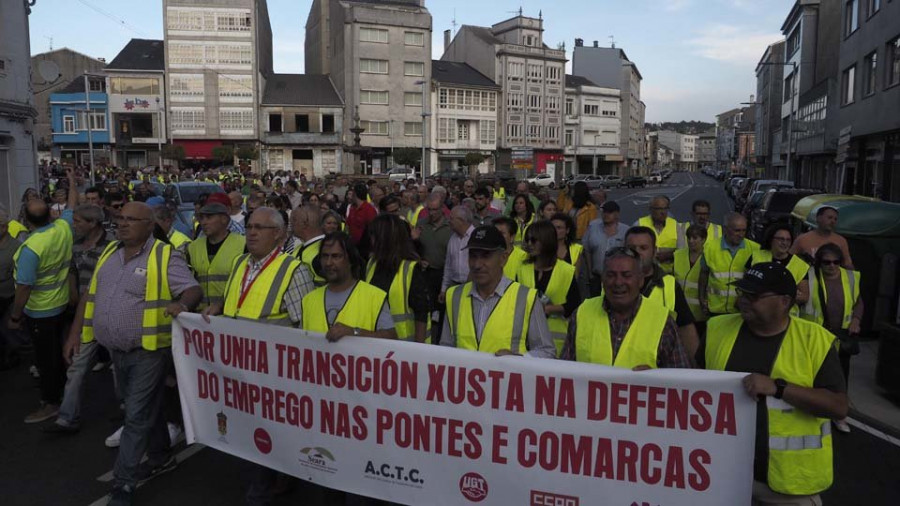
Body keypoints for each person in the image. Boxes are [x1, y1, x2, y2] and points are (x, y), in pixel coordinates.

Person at [66, 201, 203, 506]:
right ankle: (161, 454)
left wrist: (183, 304)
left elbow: (193, 289)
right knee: (140, 406)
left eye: (131, 220)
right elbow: (90, 295)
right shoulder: (109, 254)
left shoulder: (164, 255)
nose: (122, 224)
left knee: (136, 413)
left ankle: (123, 483)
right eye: (119, 219)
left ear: (149, 224)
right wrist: (76, 333)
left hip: (149, 351)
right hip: (115, 350)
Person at [700, 262, 848, 505]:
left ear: (784, 301)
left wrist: (779, 388)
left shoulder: (815, 340)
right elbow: (692, 385)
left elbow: (839, 406)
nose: (744, 300)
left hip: (789, 487)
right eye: (742, 292)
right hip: (723, 476)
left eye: (754, 295)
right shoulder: (717, 329)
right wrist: (647, 380)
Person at [201, 207, 314, 506]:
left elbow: (305, 327)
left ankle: (262, 492)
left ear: (278, 234)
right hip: (240, 370)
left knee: (265, 438)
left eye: (260, 228)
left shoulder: (294, 269)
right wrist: (218, 308)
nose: (251, 232)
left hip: (274, 374)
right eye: (249, 226)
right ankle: (274, 478)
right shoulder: (240, 263)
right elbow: (237, 305)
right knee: (250, 436)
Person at [9, 168, 77, 423]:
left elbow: (24, 287)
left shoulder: (31, 248)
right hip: (60, 306)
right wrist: (71, 182)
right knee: (55, 354)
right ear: (50, 214)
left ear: (26, 221)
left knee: (45, 359)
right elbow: (71, 205)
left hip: (40, 312)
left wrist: (15, 317)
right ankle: (60, 389)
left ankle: (51, 403)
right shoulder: (62, 228)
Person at [44, 204, 115, 434]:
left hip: (110, 313)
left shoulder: (113, 245)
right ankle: (67, 418)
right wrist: (72, 288)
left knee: (120, 366)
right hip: (85, 314)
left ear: (93, 223)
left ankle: (127, 408)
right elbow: (73, 269)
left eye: (78, 221)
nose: (74, 225)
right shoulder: (76, 243)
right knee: (77, 366)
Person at [560, 247, 690, 369]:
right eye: (611, 275)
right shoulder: (582, 313)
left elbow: (680, 382)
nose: (618, 282)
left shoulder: (663, 322)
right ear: (602, 280)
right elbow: (563, 373)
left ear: (640, 280)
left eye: (626, 275)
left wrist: (657, 378)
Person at [441, 226, 556, 358]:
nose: (477, 264)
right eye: (472, 256)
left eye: (486, 256)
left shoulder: (526, 298)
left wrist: (520, 360)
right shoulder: (454, 296)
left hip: (508, 378)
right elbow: (446, 348)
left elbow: (547, 351)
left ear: (503, 258)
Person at [803, 243, 863, 434]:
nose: (831, 266)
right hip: (815, 336)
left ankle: (839, 415)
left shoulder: (851, 278)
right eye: (827, 262)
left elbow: (859, 302)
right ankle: (815, 409)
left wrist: (856, 320)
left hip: (842, 336)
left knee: (840, 377)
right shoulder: (810, 277)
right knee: (813, 374)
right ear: (820, 262)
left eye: (836, 262)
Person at [300, 232, 396, 341]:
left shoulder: (374, 297)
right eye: (324, 256)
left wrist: (355, 332)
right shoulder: (308, 300)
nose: (328, 263)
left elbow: (391, 337)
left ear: (350, 260)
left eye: (336, 256)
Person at [626, 226, 700, 359]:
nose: (637, 253)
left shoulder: (670, 286)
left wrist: (696, 372)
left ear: (654, 251)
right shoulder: (608, 285)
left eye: (643, 248)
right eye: (631, 249)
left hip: (658, 367)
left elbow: (687, 331)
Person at [517, 221, 581, 356]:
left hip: (556, 341)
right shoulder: (522, 268)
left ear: (546, 241)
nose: (529, 244)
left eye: (534, 240)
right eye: (527, 240)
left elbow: (574, 304)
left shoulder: (566, 270)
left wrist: (548, 309)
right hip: (525, 338)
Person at [366, 215, 431, 342]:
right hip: (376, 341)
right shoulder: (371, 264)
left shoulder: (411, 269)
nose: (371, 240)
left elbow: (421, 315)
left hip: (403, 347)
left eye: (374, 236)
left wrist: (419, 352)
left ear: (384, 238)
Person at [186, 200, 246, 311]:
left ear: (224, 219)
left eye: (209, 218)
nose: (204, 222)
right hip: (200, 317)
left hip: (230, 315)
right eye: (202, 218)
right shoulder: (193, 247)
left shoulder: (242, 244)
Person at [699, 213, 759, 317]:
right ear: (725, 229)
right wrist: (701, 298)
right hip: (715, 309)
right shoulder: (710, 248)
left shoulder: (754, 249)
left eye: (743, 230)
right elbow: (703, 275)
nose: (741, 234)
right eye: (737, 230)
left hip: (741, 310)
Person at [750, 224, 810, 313]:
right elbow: (748, 285)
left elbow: (804, 296)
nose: (785, 243)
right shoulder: (756, 256)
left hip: (787, 316)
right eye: (781, 239)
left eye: (788, 240)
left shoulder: (800, 265)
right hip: (758, 313)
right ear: (771, 239)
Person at [583, 201, 629, 297]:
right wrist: (590, 273)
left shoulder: (626, 231)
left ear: (617, 214)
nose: (606, 215)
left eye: (610, 212)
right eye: (604, 212)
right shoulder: (593, 227)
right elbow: (587, 250)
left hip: (617, 278)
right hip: (597, 277)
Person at [673, 224, 708, 330]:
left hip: (700, 313)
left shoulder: (709, 256)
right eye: (689, 238)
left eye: (695, 238)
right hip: (679, 311)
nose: (691, 241)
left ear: (703, 239)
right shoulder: (678, 255)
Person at [439, 205, 475, 305]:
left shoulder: (476, 237)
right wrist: (444, 289)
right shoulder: (452, 239)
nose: (448, 221)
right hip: (454, 287)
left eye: (451, 218)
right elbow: (448, 266)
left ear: (461, 220)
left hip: (472, 287)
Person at [634, 196, 680, 274]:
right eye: (659, 209)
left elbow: (683, 251)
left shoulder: (675, 225)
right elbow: (631, 250)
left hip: (669, 273)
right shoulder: (639, 224)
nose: (663, 212)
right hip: (645, 273)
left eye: (665, 208)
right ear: (651, 209)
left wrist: (670, 255)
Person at [0, 208, 20, 369]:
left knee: (8, 330)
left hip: (9, 296)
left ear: (4, 227)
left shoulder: (15, 247)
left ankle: (12, 357)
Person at [290, 205, 326, 286]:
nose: (291, 223)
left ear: (305, 224)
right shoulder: (301, 246)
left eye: (294, 220)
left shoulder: (324, 254)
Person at [346, 183, 378, 258]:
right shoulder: (352, 208)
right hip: (352, 246)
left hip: (365, 248)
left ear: (355, 194)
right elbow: (348, 225)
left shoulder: (369, 209)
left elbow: (374, 230)